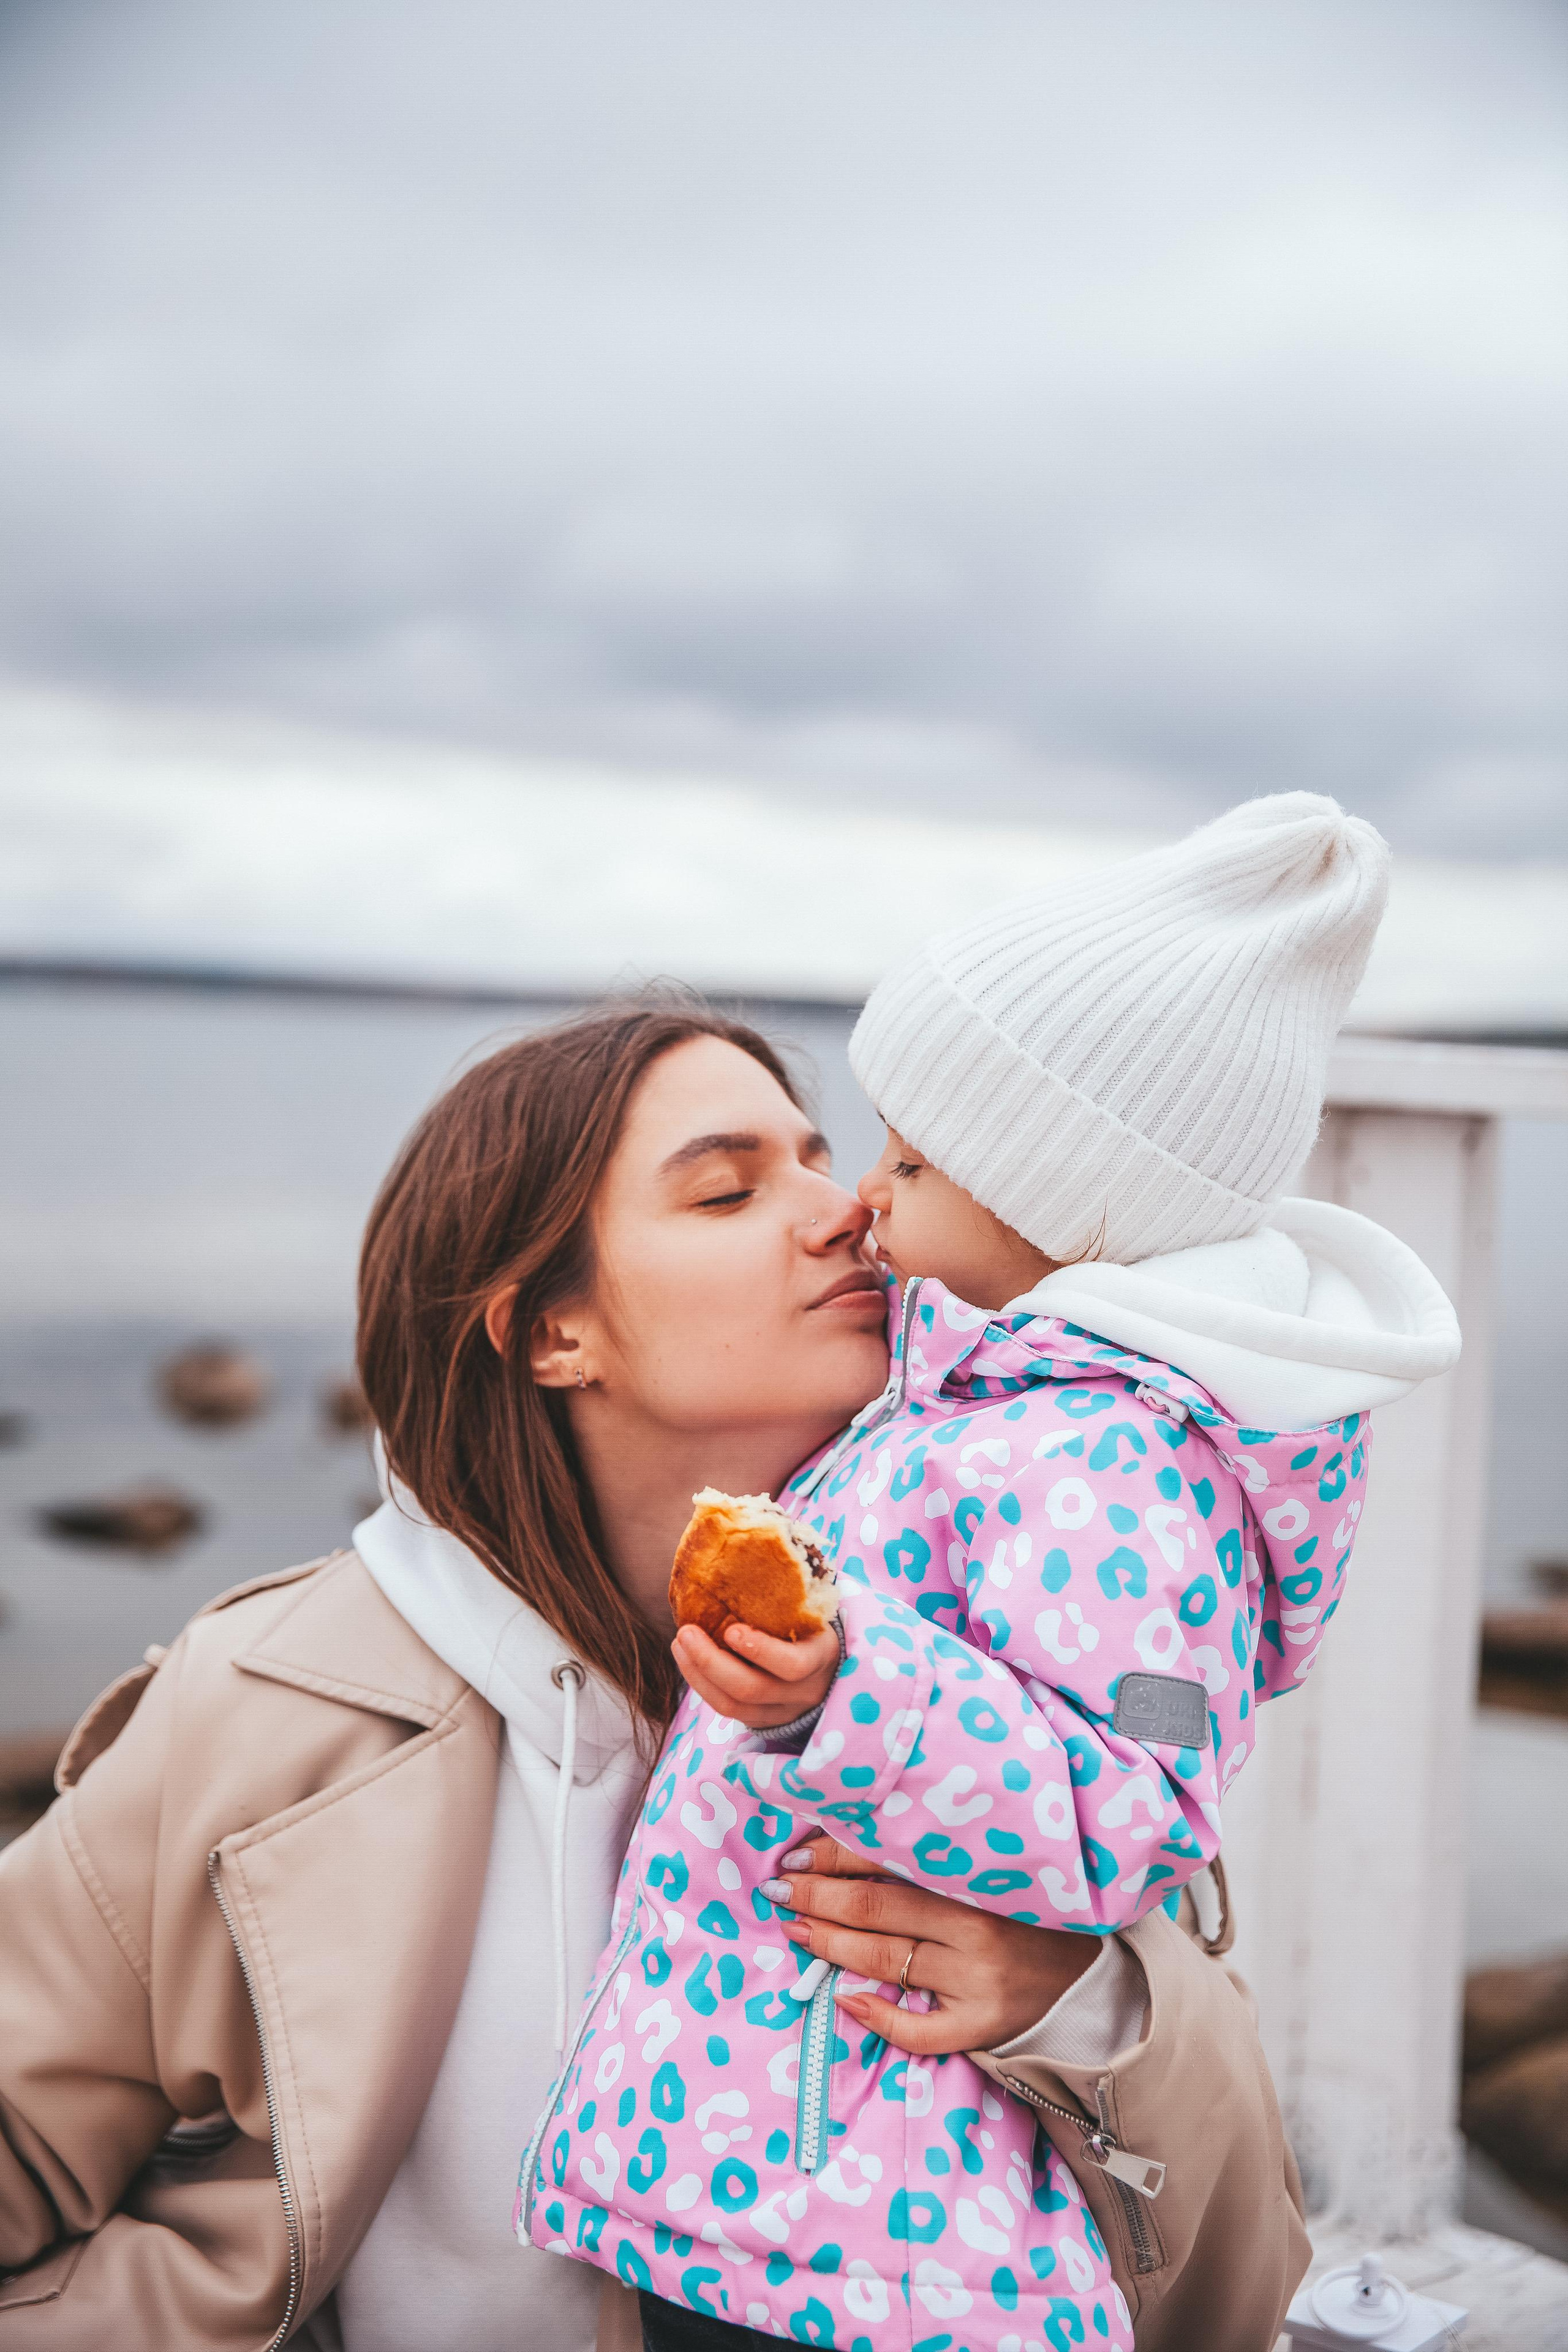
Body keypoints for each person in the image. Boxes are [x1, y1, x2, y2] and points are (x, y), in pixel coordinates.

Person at [0, 998, 1097, 2351]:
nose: (848, 1210)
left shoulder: (1007, 1655)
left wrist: (1079, 2004)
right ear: (548, 1336)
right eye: (725, 1191)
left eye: (823, 1160)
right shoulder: (274, 1702)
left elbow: (1228, 2227)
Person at [529, 794, 1462, 2352]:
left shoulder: (1109, 1467)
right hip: (759, 2197)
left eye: (904, 1162)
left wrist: (848, 1686)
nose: (860, 1205)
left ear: (1063, 1204)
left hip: (888, 2258)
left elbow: (1128, 1816)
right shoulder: (964, 1413)